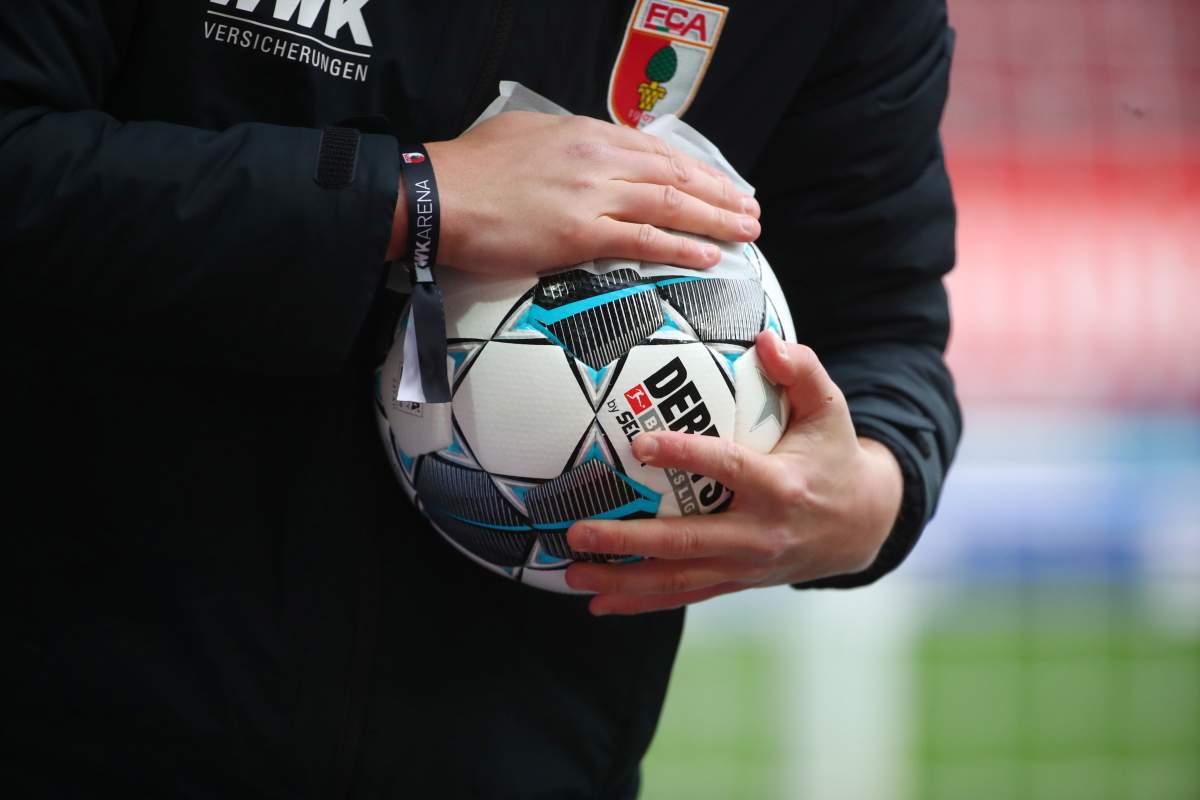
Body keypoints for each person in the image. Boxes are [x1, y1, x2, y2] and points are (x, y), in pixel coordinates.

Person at [2, 1, 960, 797]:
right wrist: (405, 199)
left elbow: (885, 329)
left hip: (529, 755)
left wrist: (866, 498)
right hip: (71, 716)